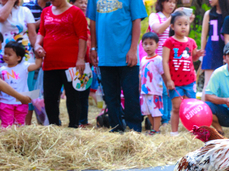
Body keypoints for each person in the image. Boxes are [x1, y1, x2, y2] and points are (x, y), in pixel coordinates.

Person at [87, 0, 148, 132]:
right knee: (110, 96)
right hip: (105, 55)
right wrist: (93, 48)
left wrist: (133, 49)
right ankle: (116, 128)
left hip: (127, 55)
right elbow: (93, 21)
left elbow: (136, 20)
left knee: (130, 95)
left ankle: (134, 130)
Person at [35, 0, 87, 128]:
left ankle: (74, 126)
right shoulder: (46, 12)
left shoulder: (76, 12)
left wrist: (80, 59)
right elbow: (41, 32)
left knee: (73, 97)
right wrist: (37, 45)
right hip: (50, 62)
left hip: (71, 64)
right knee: (50, 97)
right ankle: (53, 125)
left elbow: (83, 36)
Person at [149, 0, 191, 124]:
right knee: (159, 90)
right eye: (168, 1)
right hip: (157, 60)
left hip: (174, 61)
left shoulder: (176, 18)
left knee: (169, 90)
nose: (172, 5)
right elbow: (158, 30)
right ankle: (160, 117)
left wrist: (186, 21)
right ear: (161, 3)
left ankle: (167, 119)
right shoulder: (155, 16)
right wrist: (173, 18)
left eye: (174, 2)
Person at [162, 11, 204, 136]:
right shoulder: (169, 42)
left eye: (186, 24)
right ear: (173, 26)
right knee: (176, 108)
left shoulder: (191, 42)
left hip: (190, 81)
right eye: (179, 24)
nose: (183, 27)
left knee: (191, 108)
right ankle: (174, 132)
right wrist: (169, 80)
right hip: (175, 83)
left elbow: (193, 58)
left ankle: (192, 131)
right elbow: (164, 62)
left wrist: (197, 55)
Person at [0, 41, 41, 127]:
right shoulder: (2, 69)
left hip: (21, 102)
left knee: (20, 125)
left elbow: (37, 65)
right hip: (5, 103)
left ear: (18, 58)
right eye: (5, 53)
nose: (5, 56)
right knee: (6, 126)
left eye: (9, 54)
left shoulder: (24, 66)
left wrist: (38, 55)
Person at [200, 0, 229, 101]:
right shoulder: (209, 14)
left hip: (226, 52)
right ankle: (202, 112)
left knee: (225, 84)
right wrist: (202, 52)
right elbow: (204, 35)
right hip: (211, 51)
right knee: (208, 84)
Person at [69, 0, 90, 127]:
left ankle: (83, 120)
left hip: (86, 64)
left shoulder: (89, 25)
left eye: (86, 3)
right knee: (74, 94)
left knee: (84, 93)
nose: (83, 5)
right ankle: (76, 121)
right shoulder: (70, 22)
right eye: (80, 2)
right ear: (71, 3)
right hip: (72, 62)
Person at [140, 32, 166, 135]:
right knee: (147, 111)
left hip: (155, 90)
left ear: (157, 45)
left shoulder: (159, 59)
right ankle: (154, 128)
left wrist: (167, 86)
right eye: (145, 44)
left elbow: (163, 73)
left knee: (156, 111)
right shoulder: (142, 60)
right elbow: (141, 75)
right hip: (144, 91)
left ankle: (156, 130)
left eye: (151, 44)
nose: (148, 46)